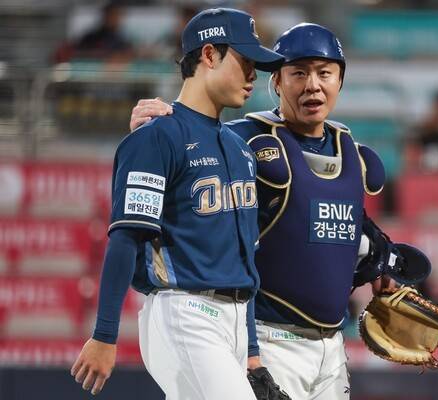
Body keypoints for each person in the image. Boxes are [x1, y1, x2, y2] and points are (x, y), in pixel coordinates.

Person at [131, 23, 398, 400]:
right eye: (298, 73)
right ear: (276, 82)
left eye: (324, 73)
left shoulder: (351, 152)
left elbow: (339, 222)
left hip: (333, 348)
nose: (313, 85)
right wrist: (159, 123)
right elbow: (191, 138)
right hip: (268, 340)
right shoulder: (243, 139)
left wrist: (382, 264)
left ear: (340, 80)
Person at [71, 8, 283, 399]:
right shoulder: (155, 136)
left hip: (235, 319)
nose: (253, 75)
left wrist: (252, 349)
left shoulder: (240, 149)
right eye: (245, 61)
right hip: (186, 312)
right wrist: (104, 334)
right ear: (209, 55)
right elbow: (126, 238)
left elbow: (243, 261)